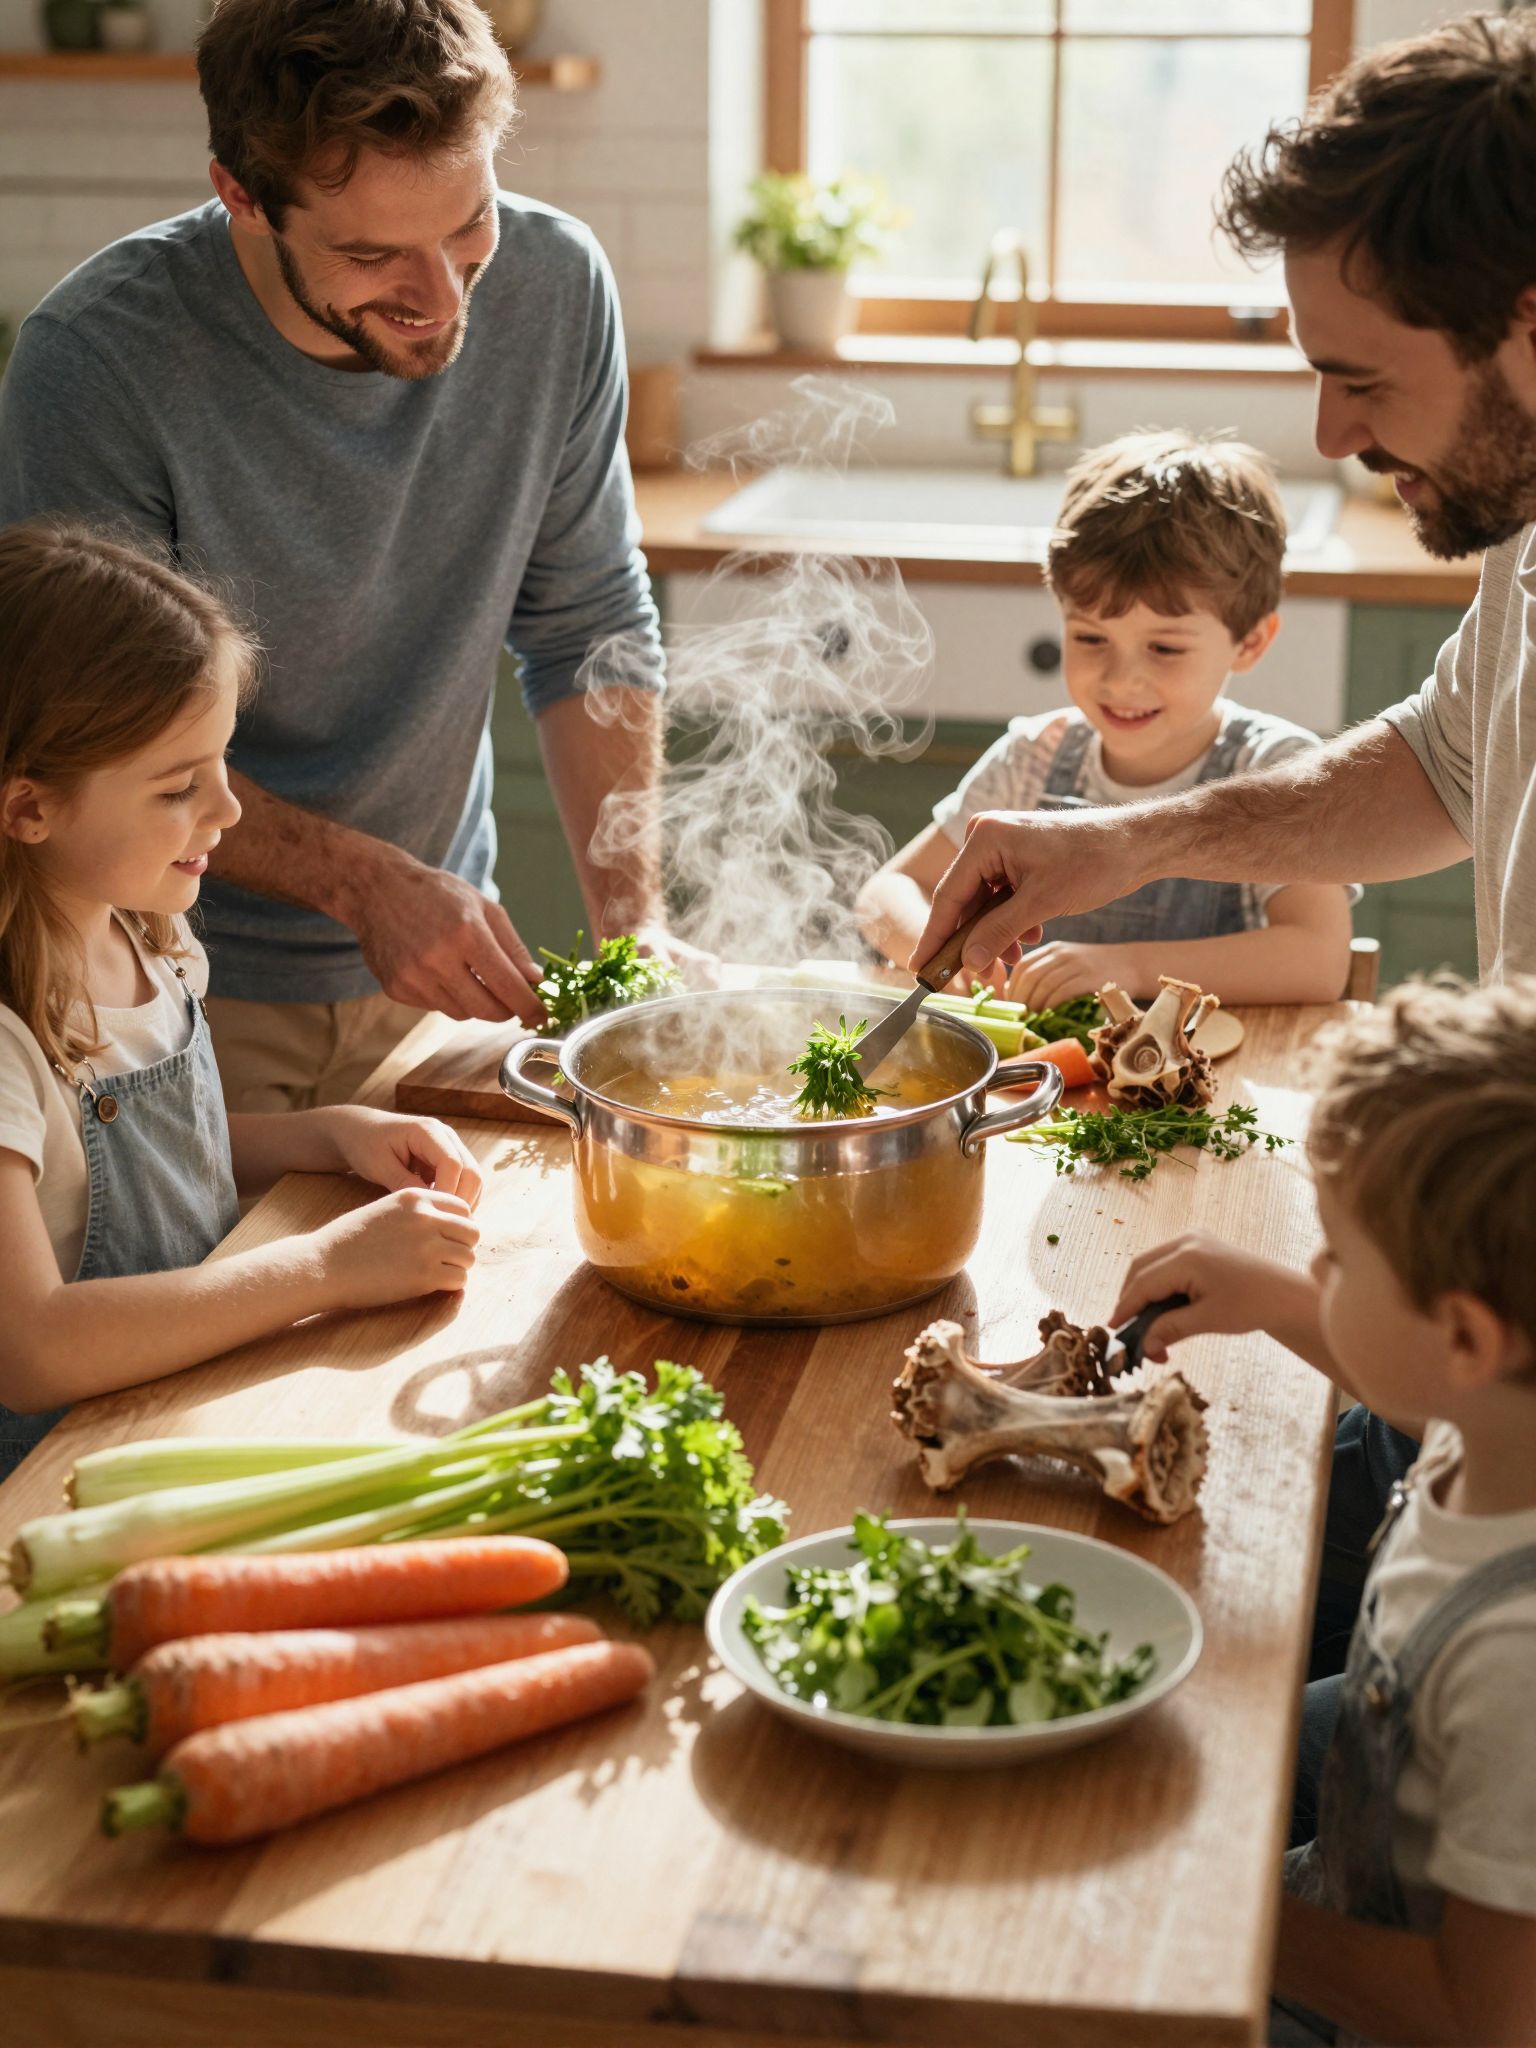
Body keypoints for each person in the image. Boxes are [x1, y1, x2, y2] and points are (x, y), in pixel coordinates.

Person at [910, 10, 1536, 1670]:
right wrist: (1114, 846)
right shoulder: (1525, 527)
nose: (1330, 434)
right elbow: (1434, 767)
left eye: (1359, 375)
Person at [0, 0, 680, 1118]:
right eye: (372, 254)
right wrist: (363, 882)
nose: (443, 297)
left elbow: (588, 620)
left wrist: (632, 923)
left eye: (470, 227)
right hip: (164, 994)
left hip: (443, 976)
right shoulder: (101, 360)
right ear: (241, 196)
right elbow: (98, 746)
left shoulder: (559, 286)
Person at [0, 523, 483, 1480]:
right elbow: (35, 1349)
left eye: (224, 763)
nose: (226, 811)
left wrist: (328, 1132)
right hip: (56, 1488)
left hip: (175, 1418)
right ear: (28, 810)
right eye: (181, 786)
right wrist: (325, 1269)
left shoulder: (149, 937)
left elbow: (159, 1153)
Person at [1112, 978, 1536, 2048]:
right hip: (1369, 1830)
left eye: (1336, 1255)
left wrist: (1216, 1901)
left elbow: (1481, 2011)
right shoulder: (1498, 1417)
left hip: (1407, 2008)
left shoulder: (1516, 1662)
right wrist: (1269, 1294)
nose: (1315, 1266)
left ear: (1468, 1337)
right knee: (1161, 1734)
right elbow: (1416, 1382)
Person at [856, 431, 1352, 1007]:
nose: (1120, 680)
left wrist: (1129, 968)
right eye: (1090, 637)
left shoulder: (1271, 770)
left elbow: (1319, 959)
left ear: (1249, 641)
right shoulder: (1033, 759)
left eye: (1164, 649)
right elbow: (886, 892)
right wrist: (956, 961)